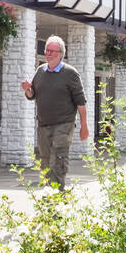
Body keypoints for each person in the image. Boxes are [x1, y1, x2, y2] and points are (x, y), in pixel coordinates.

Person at [20, 34, 89, 189]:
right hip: (43, 125)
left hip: (64, 124)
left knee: (58, 159)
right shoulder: (40, 71)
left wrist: (84, 125)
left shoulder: (70, 73)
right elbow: (33, 96)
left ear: (61, 54)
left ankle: (57, 198)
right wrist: (28, 90)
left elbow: (80, 102)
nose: (49, 53)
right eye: (47, 50)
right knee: (45, 161)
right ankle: (49, 195)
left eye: (52, 51)